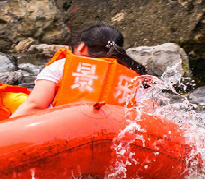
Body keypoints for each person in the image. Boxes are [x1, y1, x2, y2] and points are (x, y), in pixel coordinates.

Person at [10, 24, 148, 118]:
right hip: (111, 139)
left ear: (81, 47)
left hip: (59, 134)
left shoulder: (61, 66)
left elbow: (34, 106)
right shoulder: (135, 78)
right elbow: (148, 116)